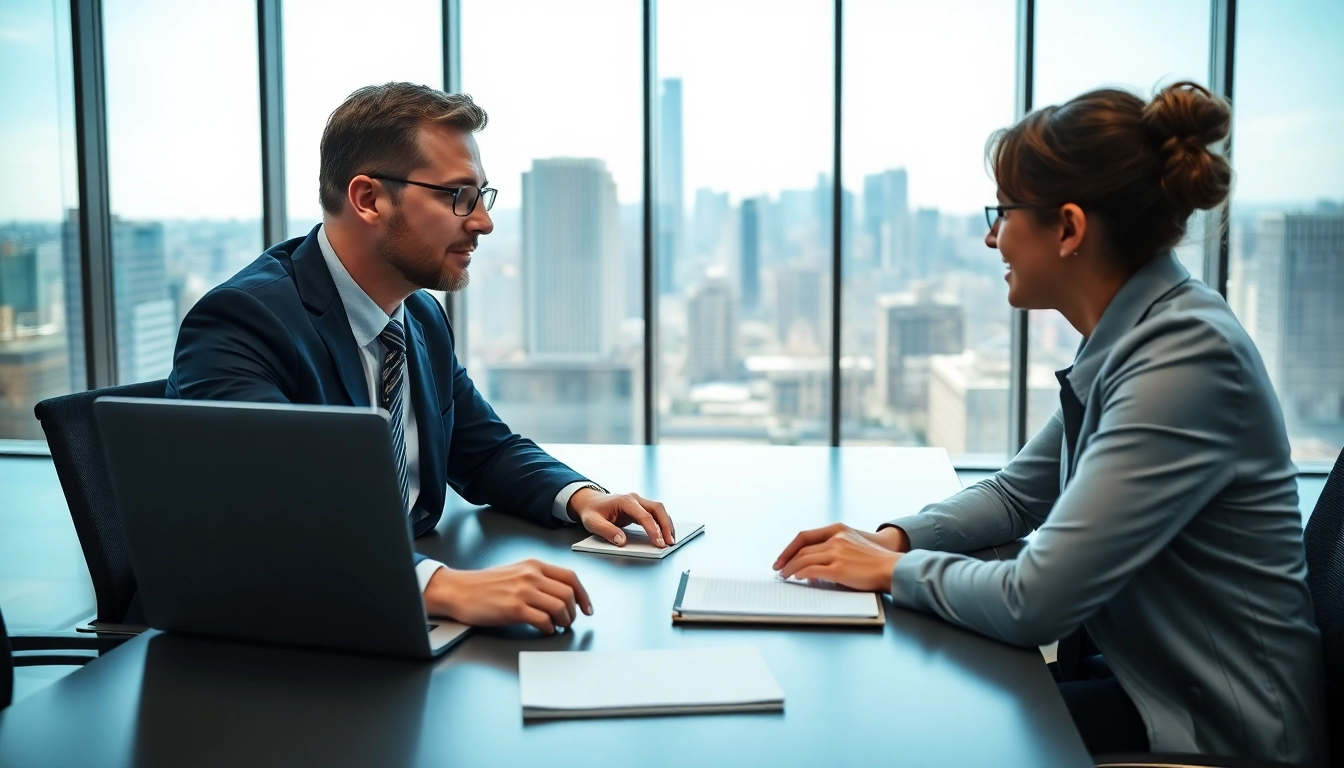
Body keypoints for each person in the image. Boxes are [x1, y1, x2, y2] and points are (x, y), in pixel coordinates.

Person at [773, 82, 1327, 764]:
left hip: (1220, 737)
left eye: (1002, 212)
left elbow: (1034, 602)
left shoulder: (1185, 363)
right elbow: (1015, 496)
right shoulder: (1141, 339)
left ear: (1068, 228)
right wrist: (891, 537)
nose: (990, 235)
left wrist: (892, 570)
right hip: (1146, 688)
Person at [169, 82, 675, 636]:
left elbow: (485, 451)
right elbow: (264, 518)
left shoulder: (420, 318)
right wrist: (442, 586)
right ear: (368, 199)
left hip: (392, 618)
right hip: (280, 645)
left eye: (484, 196)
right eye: (458, 196)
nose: (482, 222)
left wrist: (581, 497)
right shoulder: (245, 322)